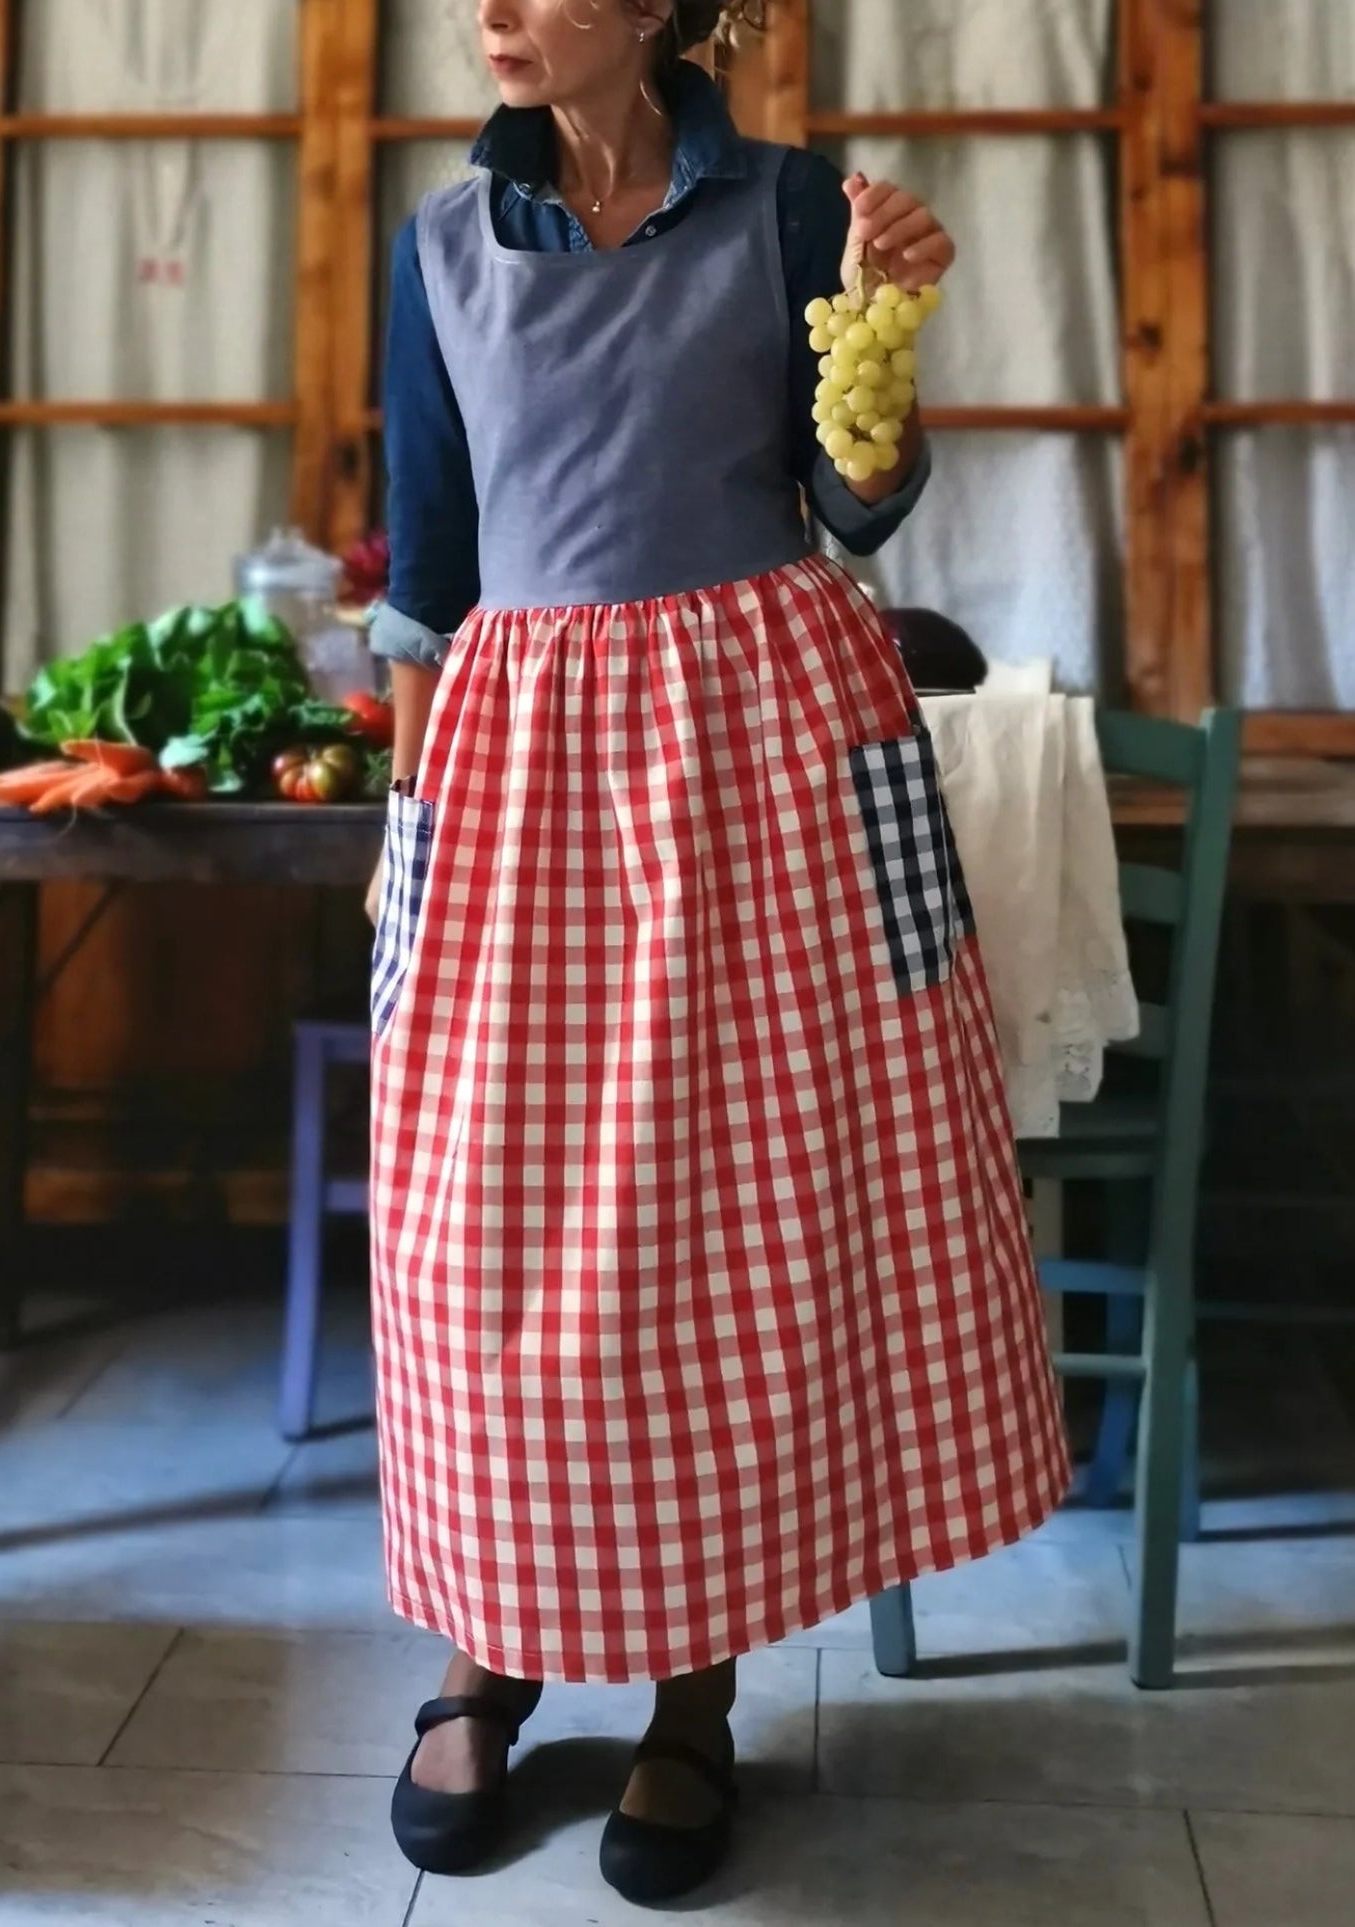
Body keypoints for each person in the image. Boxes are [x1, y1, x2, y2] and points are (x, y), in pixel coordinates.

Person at [366, 1, 1069, 1905]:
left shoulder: (789, 209)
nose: (493, 12)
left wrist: (887, 337)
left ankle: (698, 1696)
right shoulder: (438, 245)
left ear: (659, 8)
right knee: (486, 1232)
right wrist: (403, 842)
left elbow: (853, 504)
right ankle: (485, 1656)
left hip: (760, 758)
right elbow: (427, 563)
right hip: (521, 772)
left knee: (736, 1225)